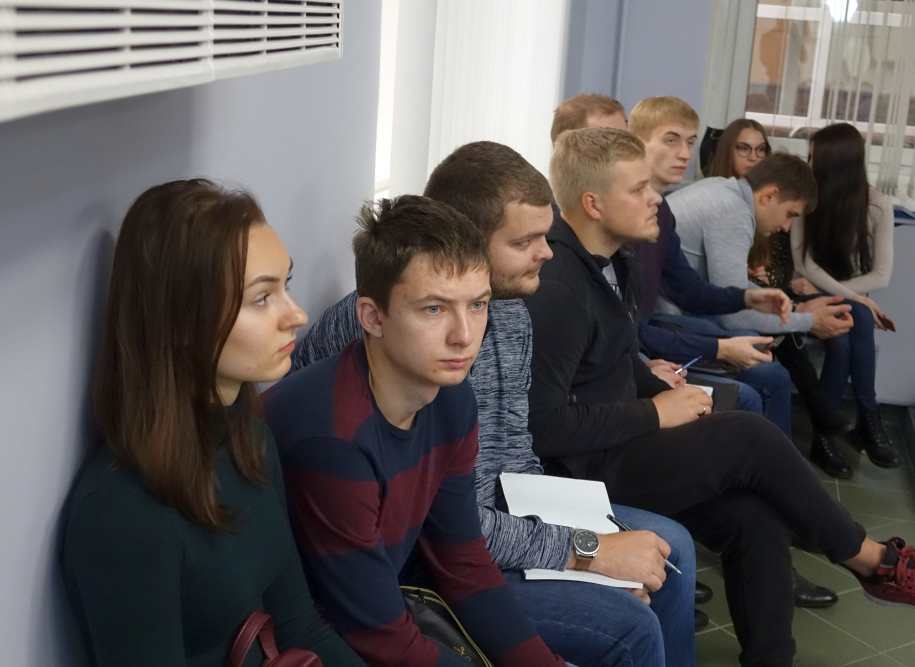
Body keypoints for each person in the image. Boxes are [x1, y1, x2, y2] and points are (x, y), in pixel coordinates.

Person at [524, 127, 915, 667]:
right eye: (638, 189)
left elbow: (617, 359)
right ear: (593, 204)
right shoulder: (559, 287)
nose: (656, 197)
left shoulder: (617, 260)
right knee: (749, 434)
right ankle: (875, 563)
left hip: (621, 441)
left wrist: (661, 390)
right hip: (581, 470)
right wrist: (653, 412)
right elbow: (543, 427)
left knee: (755, 520)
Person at [292, 142, 699, 667]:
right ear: (463, 242)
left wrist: (585, 550)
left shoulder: (505, 316)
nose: (548, 252)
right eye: (524, 240)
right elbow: (437, 533)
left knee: (671, 546)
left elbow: (512, 459)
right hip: (417, 559)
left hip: (476, 533)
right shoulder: (398, 345)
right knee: (631, 624)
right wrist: (586, 552)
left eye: (476, 305)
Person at [61, 180, 363, 667]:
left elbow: (299, 625)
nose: (297, 315)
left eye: (285, 286)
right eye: (262, 299)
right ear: (183, 322)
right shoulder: (121, 514)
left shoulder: (250, 439)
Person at [265, 194, 570, 667]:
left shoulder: (451, 396)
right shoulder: (333, 437)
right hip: (315, 645)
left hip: (386, 606)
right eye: (434, 309)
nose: (464, 335)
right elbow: (375, 635)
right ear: (373, 317)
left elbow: (463, 561)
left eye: (477, 305)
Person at [551, 94, 794, 435]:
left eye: (690, 142)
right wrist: (659, 375)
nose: (684, 153)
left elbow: (679, 293)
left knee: (759, 359)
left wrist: (745, 298)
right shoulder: (570, 259)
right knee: (747, 396)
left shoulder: (650, 218)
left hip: (638, 359)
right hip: (621, 387)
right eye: (671, 140)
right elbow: (562, 405)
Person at [710, 118, 857, 480]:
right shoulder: (732, 211)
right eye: (790, 215)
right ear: (770, 195)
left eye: (760, 149)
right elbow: (727, 311)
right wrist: (804, 319)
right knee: (772, 374)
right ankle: (783, 476)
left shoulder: (731, 198)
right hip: (692, 322)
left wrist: (789, 307)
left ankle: (785, 471)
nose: (789, 226)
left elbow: (724, 293)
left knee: (783, 349)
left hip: (708, 311)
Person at [791, 122, 899, 468]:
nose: (808, 164)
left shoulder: (878, 205)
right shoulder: (806, 198)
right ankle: (866, 420)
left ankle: (828, 434)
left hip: (830, 294)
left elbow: (881, 276)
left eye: (813, 158)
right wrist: (858, 298)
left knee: (852, 325)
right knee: (855, 321)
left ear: (834, 163)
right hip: (804, 293)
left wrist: (837, 293)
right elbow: (802, 264)